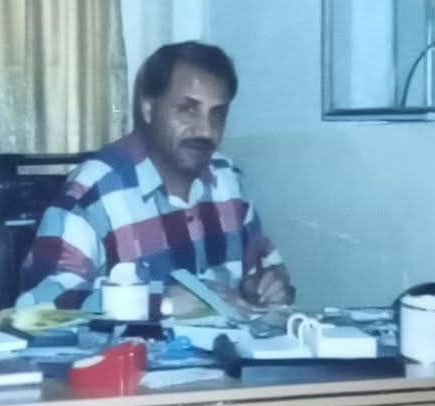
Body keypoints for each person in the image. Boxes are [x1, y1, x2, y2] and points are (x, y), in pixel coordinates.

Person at [17, 41, 294, 313]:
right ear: (149, 109)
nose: (206, 131)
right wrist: (159, 303)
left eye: (217, 114)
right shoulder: (95, 189)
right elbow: (38, 302)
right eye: (188, 110)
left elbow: (263, 268)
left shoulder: (228, 179)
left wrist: (265, 285)